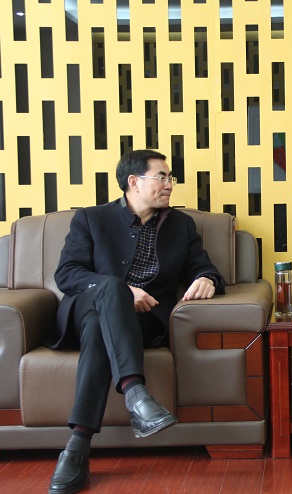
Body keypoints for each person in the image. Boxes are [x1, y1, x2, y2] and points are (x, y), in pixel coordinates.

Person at [46, 149, 225, 494]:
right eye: (162, 177)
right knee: (110, 290)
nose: (169, 184)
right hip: (84, 310)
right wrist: (123, 290)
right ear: (134, 182)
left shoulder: (180, 225)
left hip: (141, 322)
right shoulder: (91, 219)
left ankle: (77, 448)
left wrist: (208, 279)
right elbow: (67, 274)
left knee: (100, 329)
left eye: (170, 178)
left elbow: (203, 266)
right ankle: (136, 394)